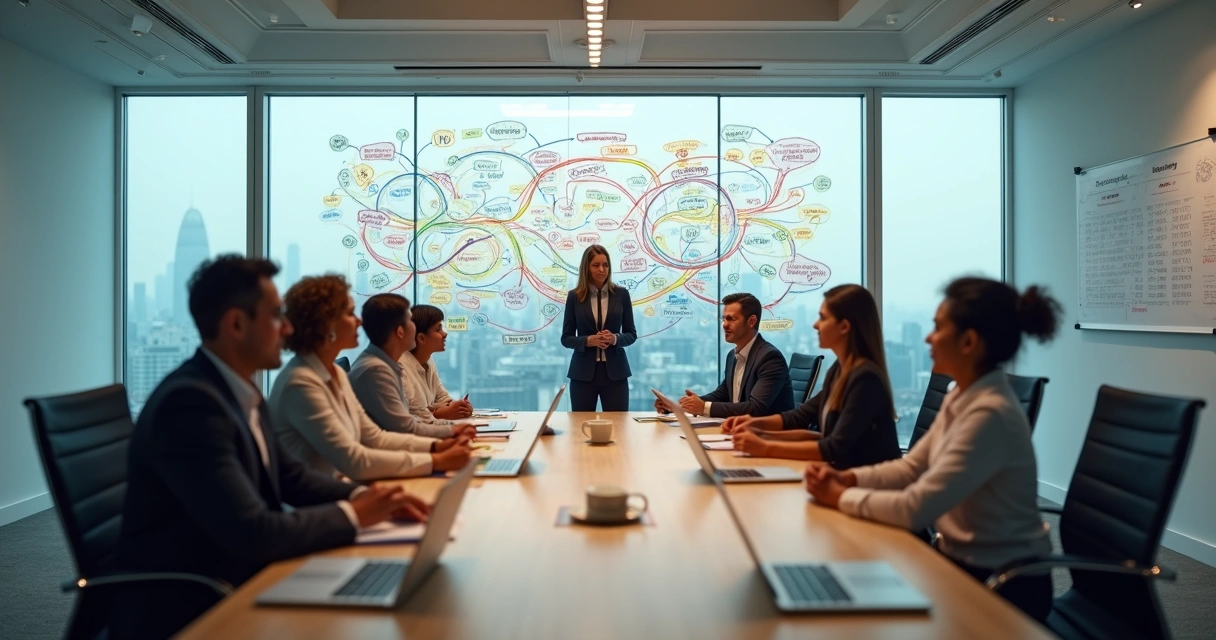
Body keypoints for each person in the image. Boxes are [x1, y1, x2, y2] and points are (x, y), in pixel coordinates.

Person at [114, 256, 428, 639]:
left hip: (240, 573)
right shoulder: (191, 406)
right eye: (277, 314)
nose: (289, 327)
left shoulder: (239, 390)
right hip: (191, 604)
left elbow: (290, 477)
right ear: (235, 323)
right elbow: (253, 533)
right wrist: (354, 514)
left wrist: (371, 496)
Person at [804, 277, 1060, 622]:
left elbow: (915, 508)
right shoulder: (962, 395)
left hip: (1002, 585)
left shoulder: (990, 414)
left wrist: (838, 496)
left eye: (938, 328)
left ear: (968, 341)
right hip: (959, 562)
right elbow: (912, 468)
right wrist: (848, 477)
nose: (928, 337)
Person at [269, 275, 472, 482]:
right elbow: (354, 460)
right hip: (317, 502)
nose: (359, 321)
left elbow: (374, 437)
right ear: (325, 324)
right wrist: (436, 459)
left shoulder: (335, 373)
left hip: (338, 489)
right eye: (350, 314)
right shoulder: (301, 384)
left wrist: (437, 446)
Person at [722, 285, 901, 469]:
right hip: (843, 477)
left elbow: (833, 448)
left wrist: (766, 447)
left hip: (871, 486)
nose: (816, 325)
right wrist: (754, 426)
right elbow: (800, 417)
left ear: (844, 327)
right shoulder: (840, 370)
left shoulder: (865, 379)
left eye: (823, 318)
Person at [349, 294, 476, 440]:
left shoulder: (385, 364)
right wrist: (452, 432)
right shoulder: (377, 370)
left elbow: (408, 424)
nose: (415, 328)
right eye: (410, 321)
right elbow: (408, 427)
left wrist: (455, 413)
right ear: (400, 331)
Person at [656, 292, 794, 418]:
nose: (724, 325)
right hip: (741, 432)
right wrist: (680, 407)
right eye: (724, 319)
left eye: (731, 319)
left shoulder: (769, 358)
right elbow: (723, 394)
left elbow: (756, 408)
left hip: (768, 438)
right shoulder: (732, 356)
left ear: (751, 321)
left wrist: (703, 407)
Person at [561, 244, 637, 411]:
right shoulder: (575, 296)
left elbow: (631, 334)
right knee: (580, 428)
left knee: (619, 428)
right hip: (582, 375)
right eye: (596, 265)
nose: (602, 269)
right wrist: (588, 341)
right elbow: (566, 338)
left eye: (606, 264)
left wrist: (614, 338)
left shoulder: (621, 294)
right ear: (586, 268)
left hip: (616, 374)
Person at [401, 305, 474, 421]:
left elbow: (443, 398)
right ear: (421, 338)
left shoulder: (429, 362)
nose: (444, 334)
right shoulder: (401, 369)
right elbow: (414, 416)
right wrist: (440, 413)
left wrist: (460, 408)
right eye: (438, 329)